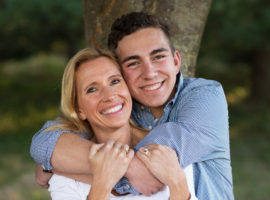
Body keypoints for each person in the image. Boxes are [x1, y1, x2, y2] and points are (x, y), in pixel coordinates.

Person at [30, 12, 234, 199]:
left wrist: (57, 166)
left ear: (176, 60)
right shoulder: (120, 110)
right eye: (133, 63)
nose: (149, 73)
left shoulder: (204, 97)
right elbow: (45, 141)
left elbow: (151, 176)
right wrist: (52, 159)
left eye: (158, 56)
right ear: (122, 72)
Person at [46, 47, 196, 200]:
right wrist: (102, 184)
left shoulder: (169, 146)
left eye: (115, 81)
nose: (109, 96)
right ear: (79, 110)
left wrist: (178, 184)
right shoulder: (67, 179)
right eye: (92, 89)